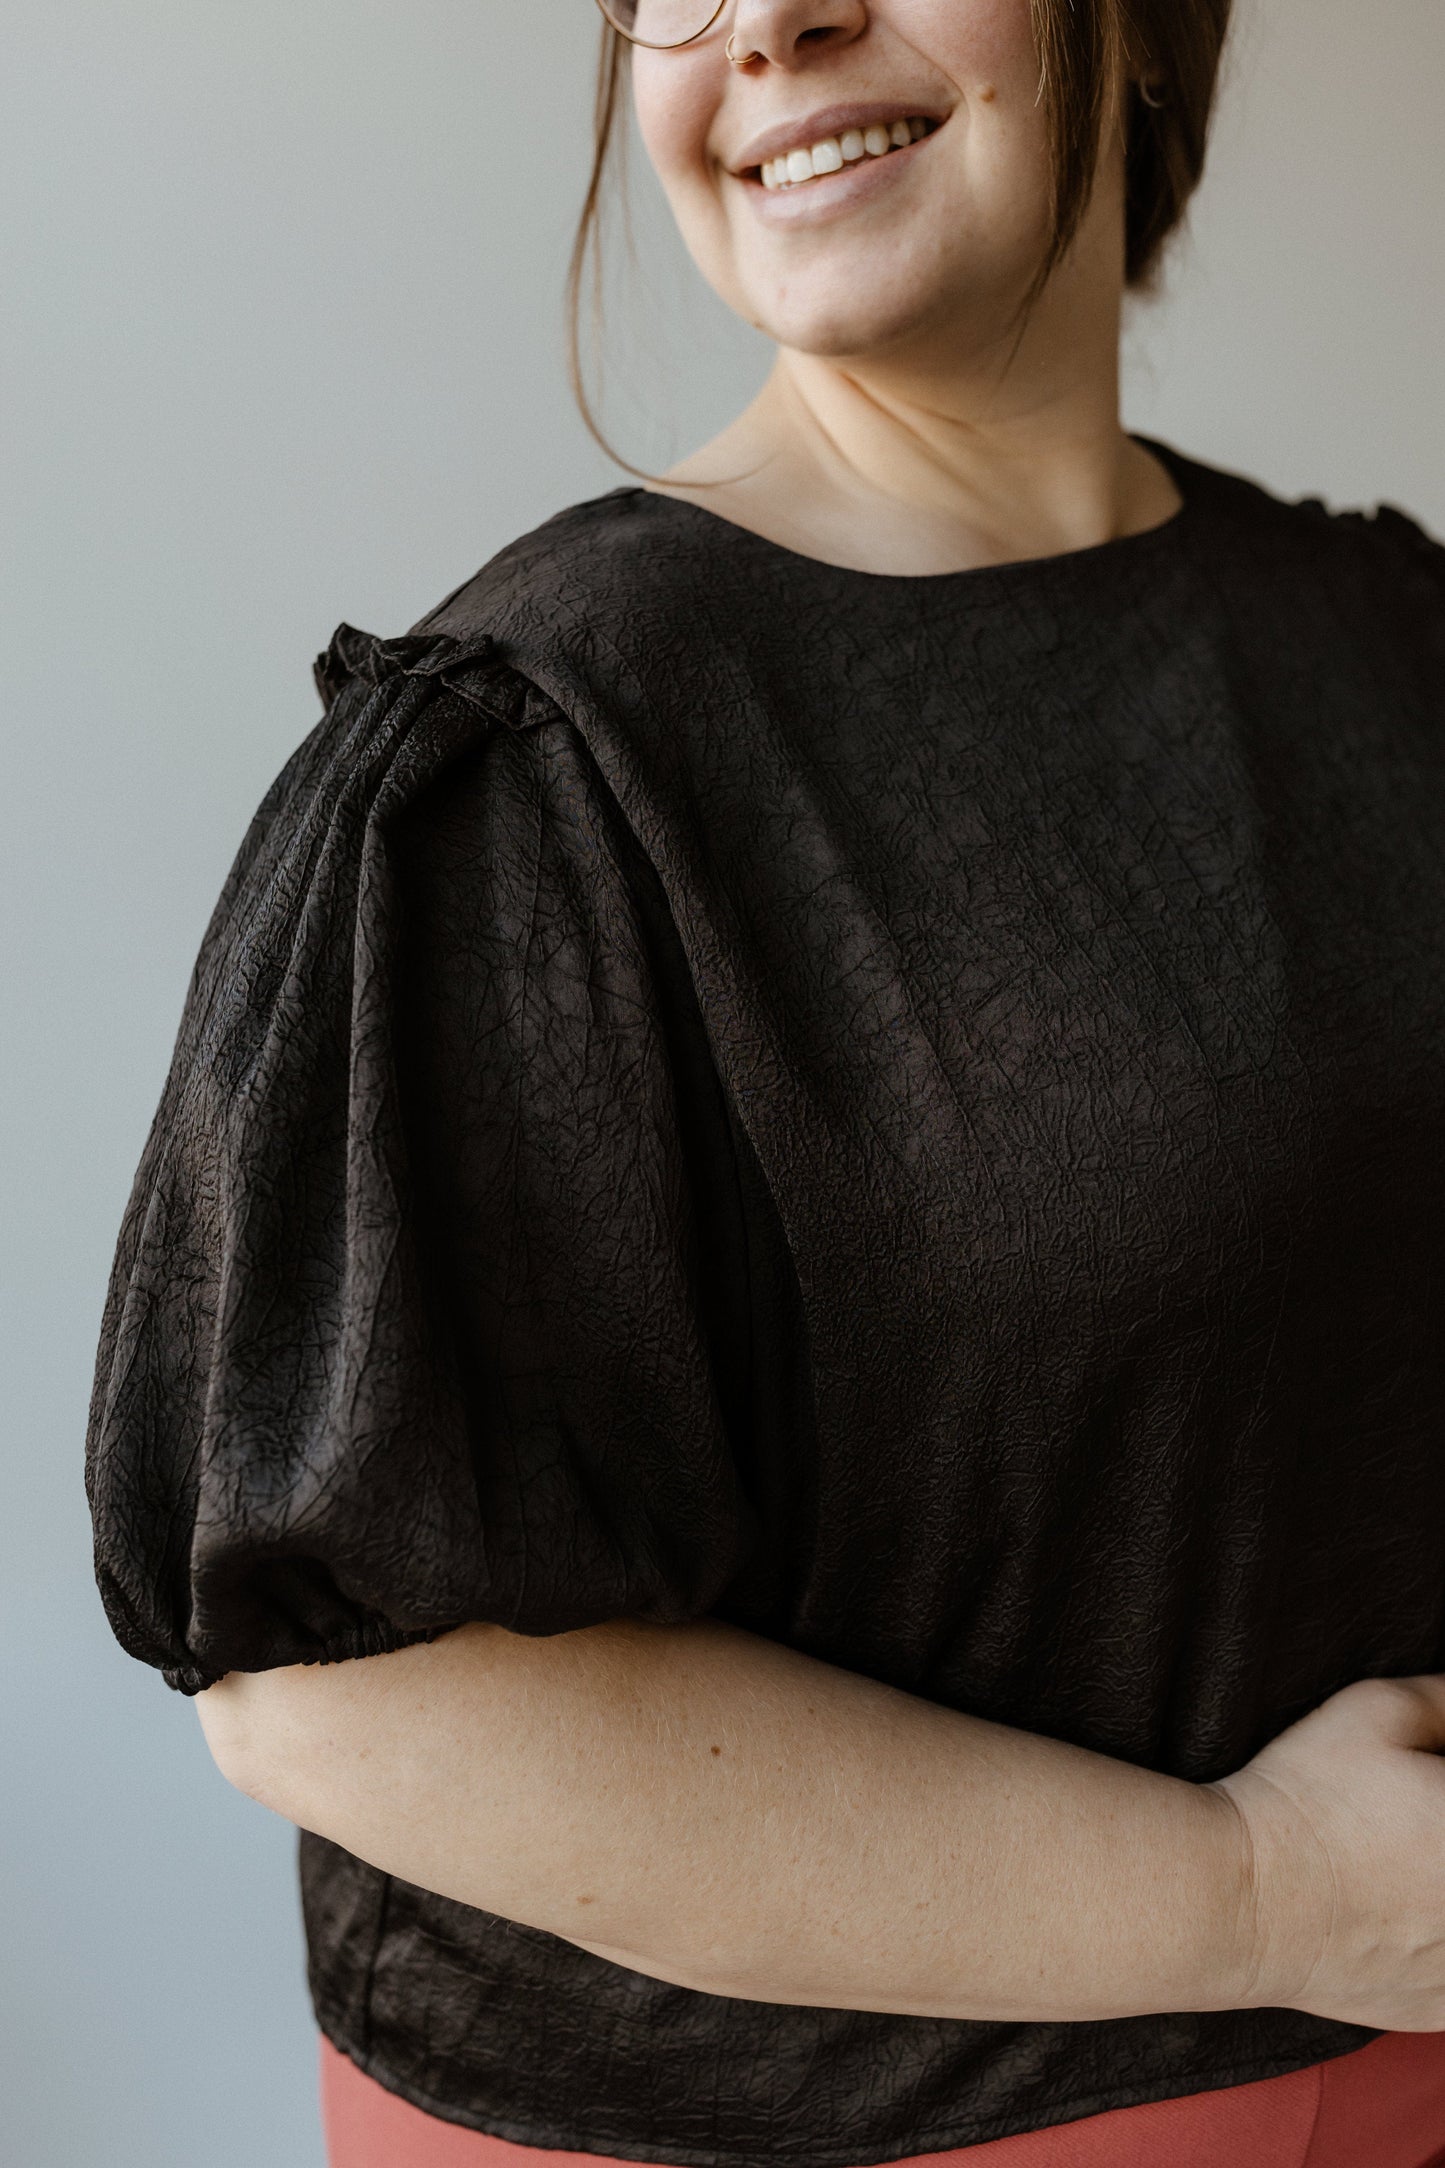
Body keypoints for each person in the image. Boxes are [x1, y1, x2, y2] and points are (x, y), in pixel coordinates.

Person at [83, 1, 1445, 2163]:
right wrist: (1274, 1891)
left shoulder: (1395, 646)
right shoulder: (530, 770)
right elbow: (348, 1690)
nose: (778, 21)